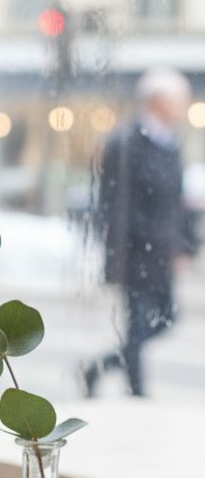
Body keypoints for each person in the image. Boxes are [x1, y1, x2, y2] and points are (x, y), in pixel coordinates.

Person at [83, 66, 191, 397]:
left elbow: (175, 201)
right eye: (179, 100)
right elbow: (113, 203)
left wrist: (182, 246)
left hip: (162, 254)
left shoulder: (170, 144)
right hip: (135, 254)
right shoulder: (126, 142)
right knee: (137, 324)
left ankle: (95, 369)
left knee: (166, 319)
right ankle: (137, 395)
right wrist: (118, 253)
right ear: (158, 102)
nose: (183, 108)